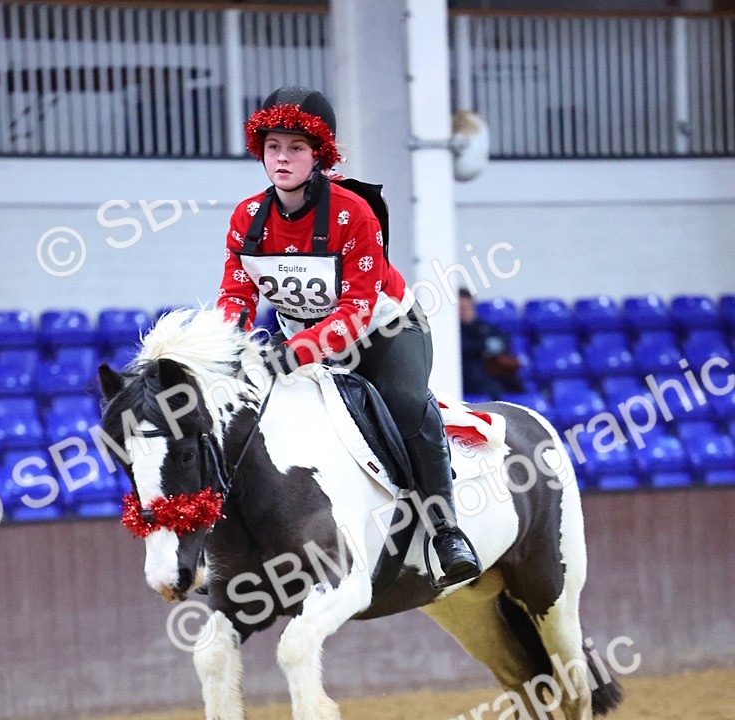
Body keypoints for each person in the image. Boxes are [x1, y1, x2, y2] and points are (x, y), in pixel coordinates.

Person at [216, 86, 480, 585]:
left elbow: (356, 310)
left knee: (403, 403)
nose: (282, 158)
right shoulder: (247, 218)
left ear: (319, 154)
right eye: (273, 147)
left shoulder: (352, 212)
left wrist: (291, 354)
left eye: (296, 147)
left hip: (384, 329)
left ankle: (446, 530)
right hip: (304, 338)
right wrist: (227, 350)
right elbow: (236, 296)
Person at [458, 288, 523, 400]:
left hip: (494, 374)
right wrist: (483, 346)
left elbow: (503, 344)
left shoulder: (486, 327)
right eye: (460, 308)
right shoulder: (454, 333)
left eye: (466, 307)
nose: (463, 311)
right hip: (470, 377)